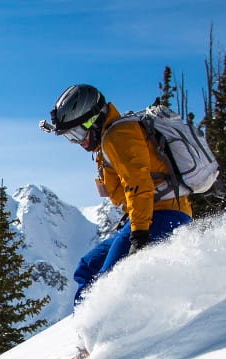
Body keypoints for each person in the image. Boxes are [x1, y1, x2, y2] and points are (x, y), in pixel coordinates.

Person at [45, 84, 193, 303]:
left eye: (77, 133)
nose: (78, 142)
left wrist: (140, 235)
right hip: (145, 217)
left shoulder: (119, 135)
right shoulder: (108, 139)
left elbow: (139, 184)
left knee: (109, 281)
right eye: (70, 137)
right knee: (88, 267)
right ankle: (85, 330)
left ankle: (119, 331)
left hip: (162, 216)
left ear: (93, 120)